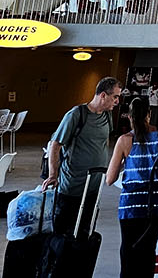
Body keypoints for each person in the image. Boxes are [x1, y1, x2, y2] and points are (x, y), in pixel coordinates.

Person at [106, 96, 158, 277]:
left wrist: (127, 163)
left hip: (131, 204)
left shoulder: (124, 140)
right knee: (148, 249)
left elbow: (110, 178)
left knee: (128, 249)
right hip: (156, 202)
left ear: (129, 116)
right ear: (149, 114)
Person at [44, 77, 121, 233]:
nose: (117, 101)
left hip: (93, 186)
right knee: (65, 230)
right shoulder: (76, 115)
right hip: (72, 186)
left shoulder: (107, 116)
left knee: (85, 230)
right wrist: (53, 175)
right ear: (103, 95)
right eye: (115, 96)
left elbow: (103, 141)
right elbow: (55, 145)